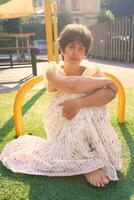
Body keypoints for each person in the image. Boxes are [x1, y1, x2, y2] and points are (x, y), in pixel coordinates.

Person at [0, 24, 121, 188]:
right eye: (71, 47)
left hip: (87, 120)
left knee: (89, 109)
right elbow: (69, 86)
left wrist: (79, 103)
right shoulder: (52, 69)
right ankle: (88, 164)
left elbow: (110, 94)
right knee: (80, 104)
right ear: (62, 50)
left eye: (81, 48)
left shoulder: (93, 70)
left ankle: (88, 157)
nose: (76, 52)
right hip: (61, 119)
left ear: (85, 52)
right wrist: (108, 81)